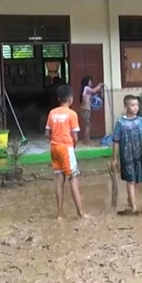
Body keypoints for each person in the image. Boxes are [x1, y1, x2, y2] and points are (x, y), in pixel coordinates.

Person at [112, 95, 142, 215]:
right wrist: (114, 158)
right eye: (132, 105)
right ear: (126, 106)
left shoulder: (141, 121)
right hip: (126, 156)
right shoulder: (120, 123)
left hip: (139, 155)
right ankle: (133, 207)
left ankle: (131, 198)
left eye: (137, 105)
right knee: (131, 180)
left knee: (137, 180)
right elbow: (116, 140)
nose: (135, 108)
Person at [45, 85, 88, 220]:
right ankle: (81, 213)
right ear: (71, 100)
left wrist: (55, 139)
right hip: (66, 148)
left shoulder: (52, 113)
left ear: (59, 99)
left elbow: (47, 134)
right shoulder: (72, 114)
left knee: (59, 181)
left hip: (54, 148)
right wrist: (72, 148)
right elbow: (75, 137)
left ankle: (60, 214)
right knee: (73, 180)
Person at [79, 76, 104, 145]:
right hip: (86, 110)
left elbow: (93, 93)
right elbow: (94, 90)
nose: (91, 83)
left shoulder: (85, 90)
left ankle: (86, 140)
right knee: (88, 125)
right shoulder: (86, 88)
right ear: (87, 82)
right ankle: (86, 141)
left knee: (87, 125)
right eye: (90, 81)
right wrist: (100, 85)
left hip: (85, 109)